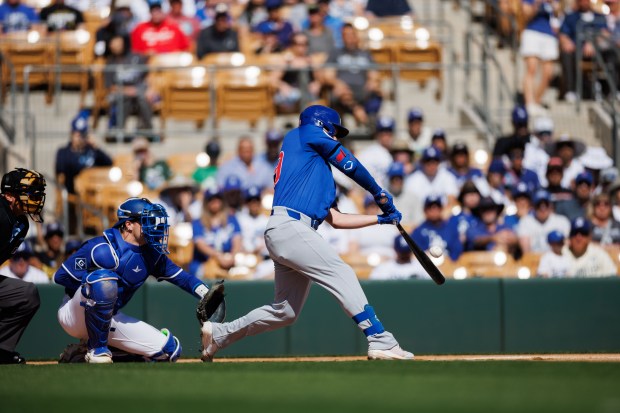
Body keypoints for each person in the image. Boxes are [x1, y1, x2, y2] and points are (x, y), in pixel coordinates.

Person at [200, 105, 413, 361]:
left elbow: (336, 219)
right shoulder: (302, 133)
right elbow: (350, 164)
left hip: (289, 231)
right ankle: (380, 338)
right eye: (334, 131)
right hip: (290, 226)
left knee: (285, 312)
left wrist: (380, 219)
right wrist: (378, 192)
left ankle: (220, 334)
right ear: (322, 124)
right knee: (341, 271)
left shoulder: (316, 170)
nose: (336, 137)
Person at [54, 197, 216, 363]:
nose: (154, 226)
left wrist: (207, 294)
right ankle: (97, 351)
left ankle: (81, 354)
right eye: (146, 221)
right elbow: (61, 276)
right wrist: (92, 288)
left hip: (109, 318)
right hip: (75, 314)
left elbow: (182, 278)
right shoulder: (100, 247)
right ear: (128, 224)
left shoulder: (152, 254)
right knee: (103, 280)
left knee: (169, 351)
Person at [0, 168, 46, 364]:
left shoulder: (21, 223)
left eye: (37, 193)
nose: (35, 197)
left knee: (26, 294)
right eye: (29, 192)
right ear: (9, 195)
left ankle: (1, 350)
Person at [323, 23, 382, 127]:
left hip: (362, 90)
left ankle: (372, 123)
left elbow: (374, 73)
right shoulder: (336, 53)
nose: (349, 38)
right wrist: (337, 83)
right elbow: (328, 75)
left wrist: (372, 80)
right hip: (344, 92)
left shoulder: (365, 54)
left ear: (356, 36)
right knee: (341, 92)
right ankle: (358, 112)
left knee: (377, 91)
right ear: (342, 37)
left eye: (351, 35)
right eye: (345, 35)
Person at [105, 35, 157, 135]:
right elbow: (110, 87)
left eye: (118, 44)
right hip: (121, 92)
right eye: (113, 44)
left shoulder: (136, 57)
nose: (115, 46)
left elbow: (149, 71)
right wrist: (129, 91)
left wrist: (151, 88)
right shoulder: (110, 63)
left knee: (143, 97)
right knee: (124, 99)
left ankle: (147, 130)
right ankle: (118, 130)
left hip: (139, 91)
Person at [559, 0, 608, 102]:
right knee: (566, 54)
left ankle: (610, 89)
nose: (584, 2)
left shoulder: (599, 17)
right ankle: (571, 91)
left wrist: (593, 43)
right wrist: (566, 42)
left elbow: (605, 33)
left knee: (612, 54)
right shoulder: (571, 17)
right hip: (576, 50)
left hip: (597, 52)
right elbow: (563, 34)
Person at [55, 109, 113, 195]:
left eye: (83, 135)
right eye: (78, 135)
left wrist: (96, 147)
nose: (80, 139)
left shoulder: (92, 150)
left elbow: (109, 162)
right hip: (75, 192)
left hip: (95, 190)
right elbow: (61, 169)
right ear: (72, 135)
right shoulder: (63, 152)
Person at [520, 0, 560, 116]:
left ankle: (536, 102)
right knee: (531, 69)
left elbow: (557, 15)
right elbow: (526, 15)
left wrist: (553, 5)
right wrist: (537, 3)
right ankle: (529, 103)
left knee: (548, 74)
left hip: (549, 35)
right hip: (532, 32)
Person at [190, 187, 242, 277]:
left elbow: (237, 240)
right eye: (211, 199)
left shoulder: (231, 219)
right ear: (206, 203)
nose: (215, 202)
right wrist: (218, 256)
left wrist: (233, 256)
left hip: (229, 260)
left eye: (218, 198)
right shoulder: (198, 222)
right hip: (204, 262)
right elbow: (200, 244)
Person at [403, 146, 459, 227]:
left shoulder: (447, 176)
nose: (431, 164)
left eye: (435, 161)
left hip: (442, 219)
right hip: (419, 220)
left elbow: (452, 201)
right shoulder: (412, 180)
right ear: (422, 162)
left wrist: (437, 216)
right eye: (428, 161)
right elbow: (410, 205)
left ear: (439, 162)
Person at [411, 195, 463, 261]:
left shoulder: (451, 228)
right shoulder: (418, 231)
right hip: (427, 266)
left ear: (441, 209)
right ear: (425, 210)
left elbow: (456, 250)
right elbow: (416, 254)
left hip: (449, 266)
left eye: (437, 207)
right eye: (430, 207)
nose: (434, 210)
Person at [356, 116, 396, 188]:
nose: (386, 136)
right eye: (383, 132)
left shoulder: (391, 154)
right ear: (377, 134)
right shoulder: (367, 153)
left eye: (388, 132)